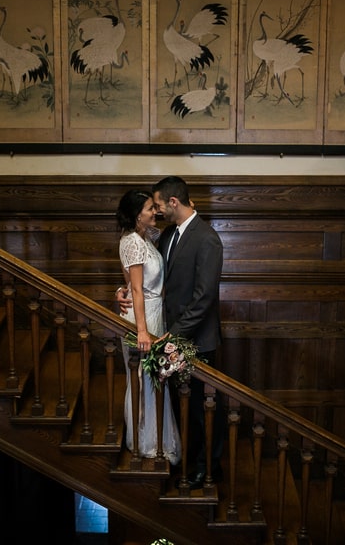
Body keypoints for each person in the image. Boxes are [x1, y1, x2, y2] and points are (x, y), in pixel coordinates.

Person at [118, 176, 224, 490]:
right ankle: (188, 462)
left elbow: (204, 297)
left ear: (173, 202)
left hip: (195, 339)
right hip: (166, 335)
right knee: (181, 405)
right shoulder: (166, 236)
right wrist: (120, 291)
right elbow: (145, 277)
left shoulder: (207, 239)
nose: (159, 211)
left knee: (205, 408)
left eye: (160, 205)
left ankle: (208, 469)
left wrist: (173, 335)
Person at [116, 188, 181, 465]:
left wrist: (120, 290)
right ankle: (144, 442)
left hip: (155, 311)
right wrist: (141, 330)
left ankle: (157, 439)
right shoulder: (130, 241)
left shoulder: (148, 236)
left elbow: (129, 283)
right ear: (135, 216)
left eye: (154, 207)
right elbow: (138, 290)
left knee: (156, 379)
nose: (155, 211)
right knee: (143, 380)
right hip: (141, 317)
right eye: (148, 208)